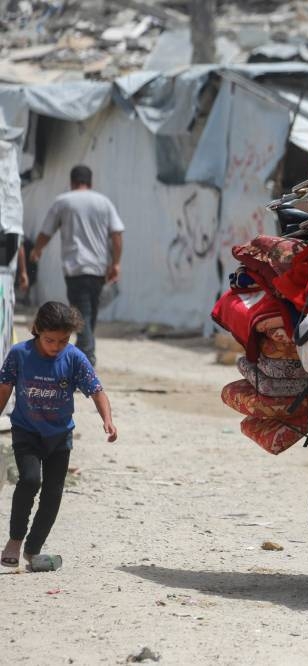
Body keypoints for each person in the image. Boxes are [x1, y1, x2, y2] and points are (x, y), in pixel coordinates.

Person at [0, 301, 118, 570]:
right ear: (37, 331)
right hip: (26, 431)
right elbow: (4, 388)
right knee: (30, 481)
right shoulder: (20, 354)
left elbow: (97, 390)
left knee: (53, 494)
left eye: (63, 341)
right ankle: (15, 541)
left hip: (59, 436)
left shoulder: (74, 357)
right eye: (50, 340)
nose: (56, 347)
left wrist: (107, 420)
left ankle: (33, 549)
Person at [30, 164, 124, 366]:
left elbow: (46, 231)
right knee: (88, 317)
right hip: (99, 269)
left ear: (72, 182)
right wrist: (116, 263)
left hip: (76, 269)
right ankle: (84, 360)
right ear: (90, 182)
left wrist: (37, 250)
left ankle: (87, 360)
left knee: (83, 318)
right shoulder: (104, 202)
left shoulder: (63, 201)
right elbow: (117, 234)